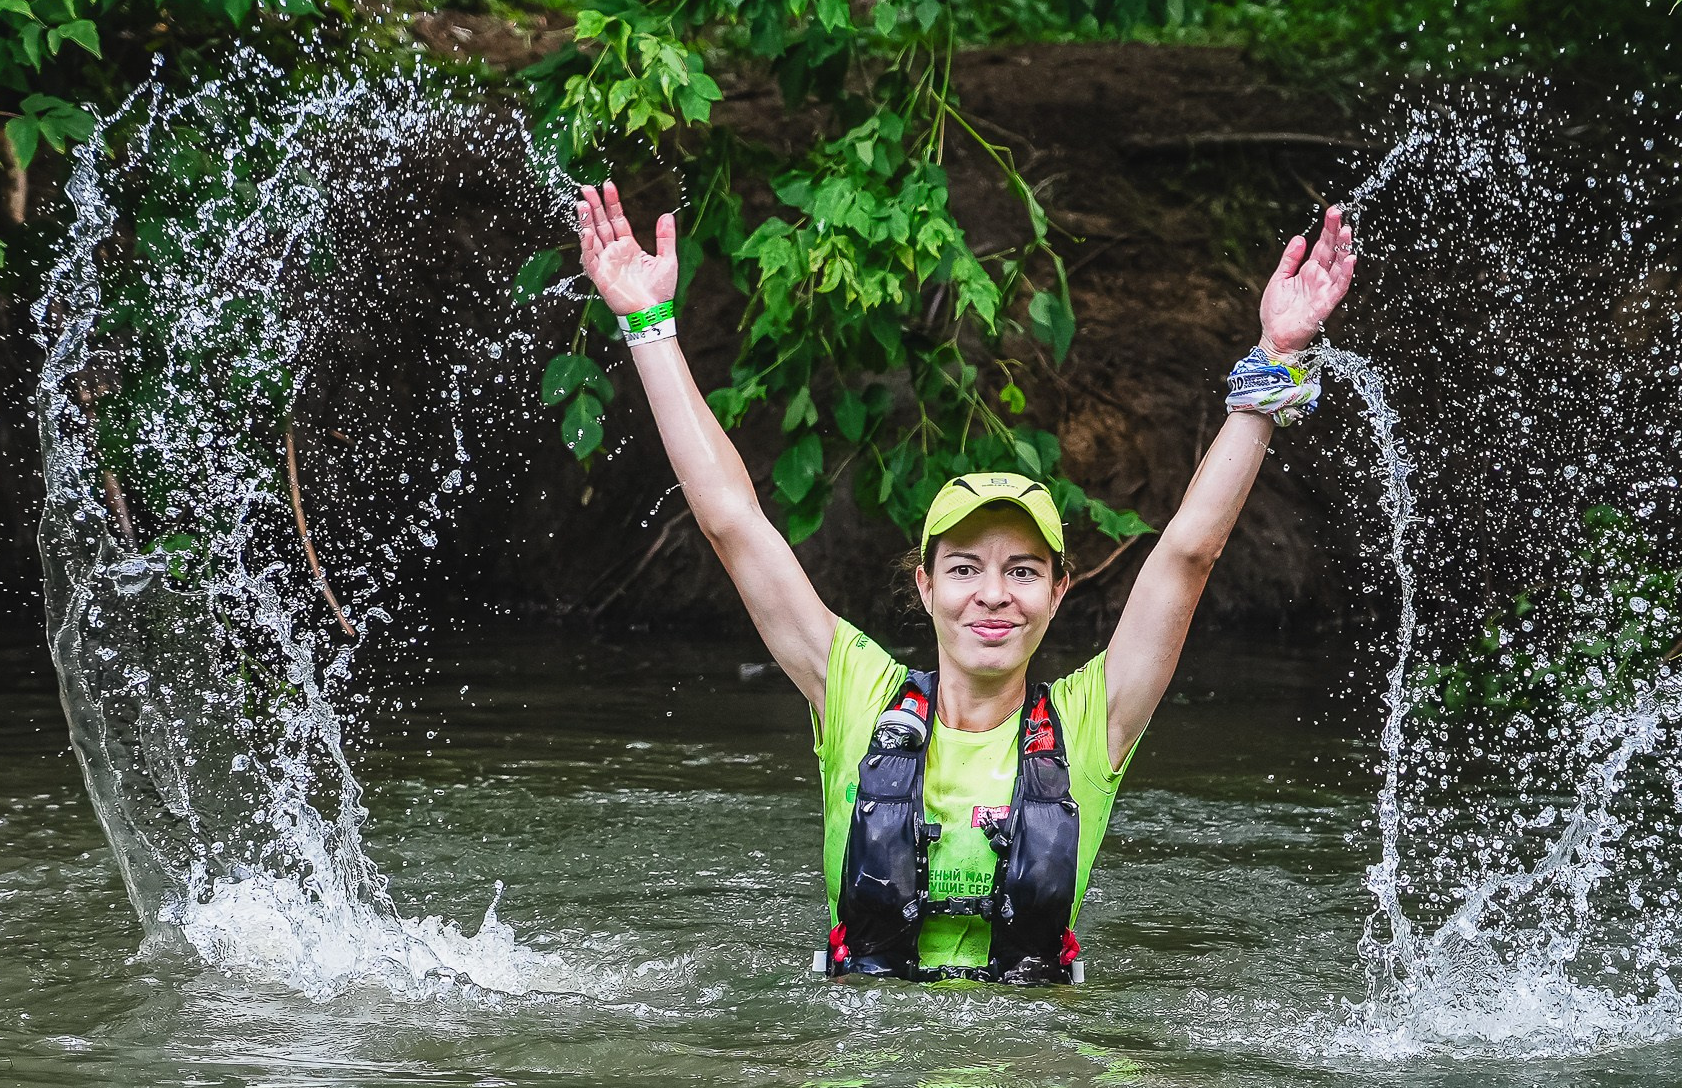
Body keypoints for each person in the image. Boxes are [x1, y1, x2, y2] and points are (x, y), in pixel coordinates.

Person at [575, 183, 1353, 984]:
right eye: (964, 569)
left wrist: (1276, 361)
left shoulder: (1095, 722)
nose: (992, 594)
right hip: (871, 1086)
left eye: (1022, 571)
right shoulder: (855, 695)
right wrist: (647, 324)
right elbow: (733, 525)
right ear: (925, 587)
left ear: (1058, 591)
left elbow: (1188, 554)